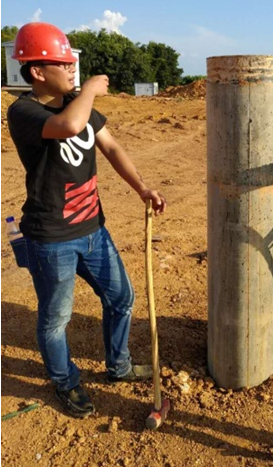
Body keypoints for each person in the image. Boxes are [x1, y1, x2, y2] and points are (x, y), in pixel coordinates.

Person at [7, 22, 167, 418]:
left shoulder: (77, 105)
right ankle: (65, 381)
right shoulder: (23, 111)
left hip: (94, 229)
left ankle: (119, 366)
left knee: (121, 298)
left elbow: (111, 147)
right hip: (51, 238)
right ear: (37, 71)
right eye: (62, 63)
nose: (71, 68)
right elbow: (69, 126)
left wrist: (142, 188)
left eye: (70, 62)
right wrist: (91, 89)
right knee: (55, 319)